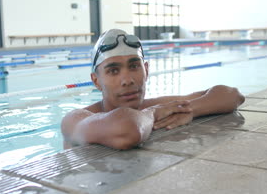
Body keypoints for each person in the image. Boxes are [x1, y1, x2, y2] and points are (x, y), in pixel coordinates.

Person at [61, 29, 245, 150]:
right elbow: (128, 128)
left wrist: (190, 110)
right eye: (113, 71)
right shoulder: (74, 119)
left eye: (134, 67)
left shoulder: (154, 105)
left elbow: (231, 95)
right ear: (96, 81)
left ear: (146, 70)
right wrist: (154, 113)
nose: (127, 80)